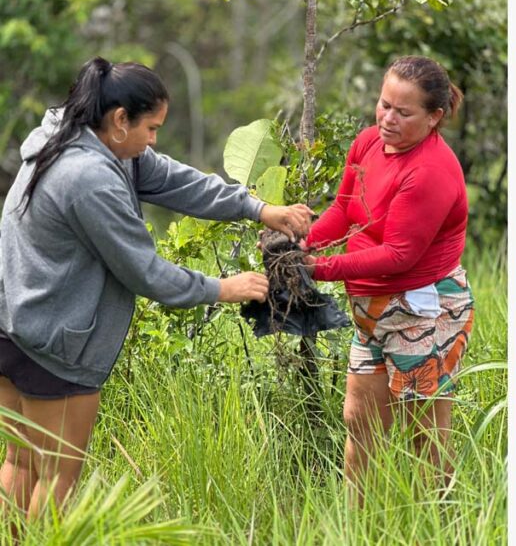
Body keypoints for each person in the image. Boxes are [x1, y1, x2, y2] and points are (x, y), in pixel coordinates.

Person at [0, 57, 314, 517]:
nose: (153, 141)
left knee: (21, 462)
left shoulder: (74, 138)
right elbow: (143, 271)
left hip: (16, 323)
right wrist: (223, 287)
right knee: (56, 477)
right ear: (120, 119)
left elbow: (174, 180)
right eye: (151, 128)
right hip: (55, 343)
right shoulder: (88, 177)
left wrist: (257, 208)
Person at [302, 56, 472, 485]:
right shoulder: (367, 144)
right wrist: (300, 247)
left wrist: (318, 269)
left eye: (403, 112)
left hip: (420, 310)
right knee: (359, 424)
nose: (388, 119)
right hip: (371, 309)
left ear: (434, 118)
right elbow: (345, 210)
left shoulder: (430, 170)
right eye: (384, 105)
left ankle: (441, 527)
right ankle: (357, 527)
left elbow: (399, 255)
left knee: (425, 437)